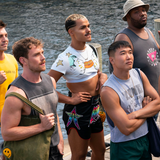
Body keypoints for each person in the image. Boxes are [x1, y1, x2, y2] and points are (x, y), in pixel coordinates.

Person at [48, 14, 107, 160]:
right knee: (79, 155)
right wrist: (70, 100)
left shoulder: (91, 49)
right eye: (83, 27)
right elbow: (46, 88)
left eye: (88, 26)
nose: (89, 30)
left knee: (100, 151)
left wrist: (103, 76)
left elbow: (95, 73)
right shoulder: (65, 58)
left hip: (95, 108)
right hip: (77, 111)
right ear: (71, 32)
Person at [1, 37, 64, 160]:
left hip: (55, 150)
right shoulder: (16, 94)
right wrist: (40, 127)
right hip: (31, 153)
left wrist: (60, 140)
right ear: (23, 60)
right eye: (36, 55)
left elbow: (53, 113)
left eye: (42, 53)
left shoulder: (51, 81)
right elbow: (7, 133)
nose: (43, 58)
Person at [101, 41, 160, 160]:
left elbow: (158, 102)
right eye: (122, 53)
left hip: (145, 139)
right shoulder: (108, 90)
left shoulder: (138, 74)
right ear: (112, 60)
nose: (128, 56)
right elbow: (126, 128)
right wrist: (147, 111)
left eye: (130, 52)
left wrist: (136, 114)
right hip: (124, 146)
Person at [0, 20, 18, 158]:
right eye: (0, 36)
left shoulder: (12, 59)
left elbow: (18, 91)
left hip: (11, 121)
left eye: (5, 35)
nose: (5, 39)